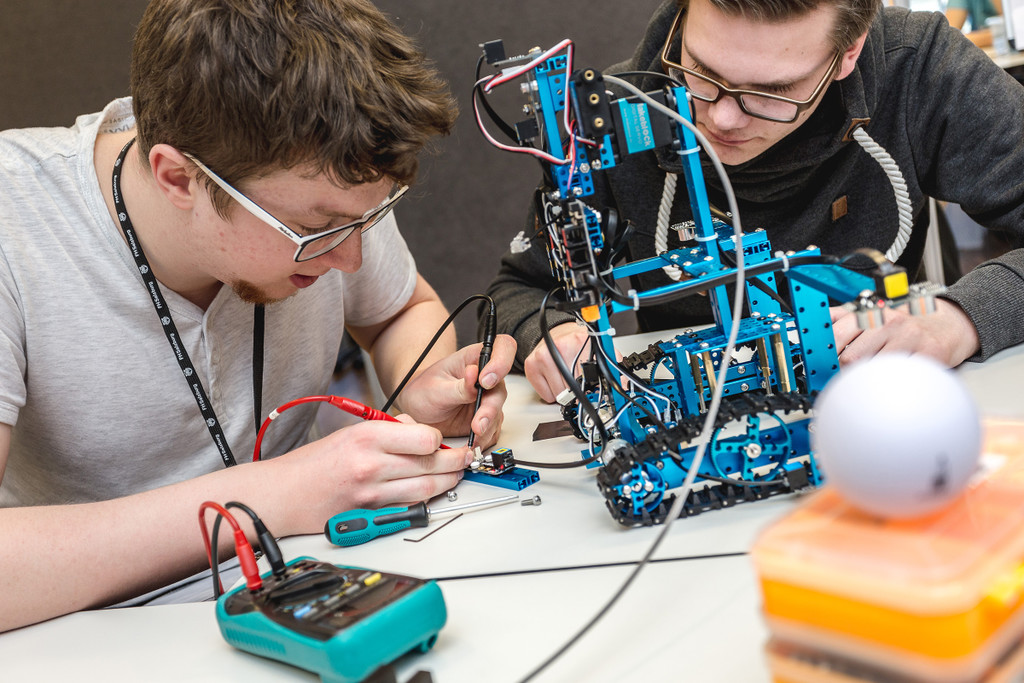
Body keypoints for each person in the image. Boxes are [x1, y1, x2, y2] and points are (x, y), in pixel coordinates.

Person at [0, 0, 516, 632]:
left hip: (311, 576)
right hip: (89, 631)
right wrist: (276, 494)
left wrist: (421, 381)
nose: (351, 259)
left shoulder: (330, 179)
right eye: (314, 229)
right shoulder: (14, 222)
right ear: (178, 179)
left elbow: (399, 311)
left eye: (367, 219)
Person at [483, 0, 1024, 403]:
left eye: (772, 91)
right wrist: (553, 334)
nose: (721, 118)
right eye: (702, 73)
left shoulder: (920, 68)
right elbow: (520, 288)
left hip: (878, 409)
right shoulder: (614, 121)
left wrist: (961, 317)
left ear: (848, 53)